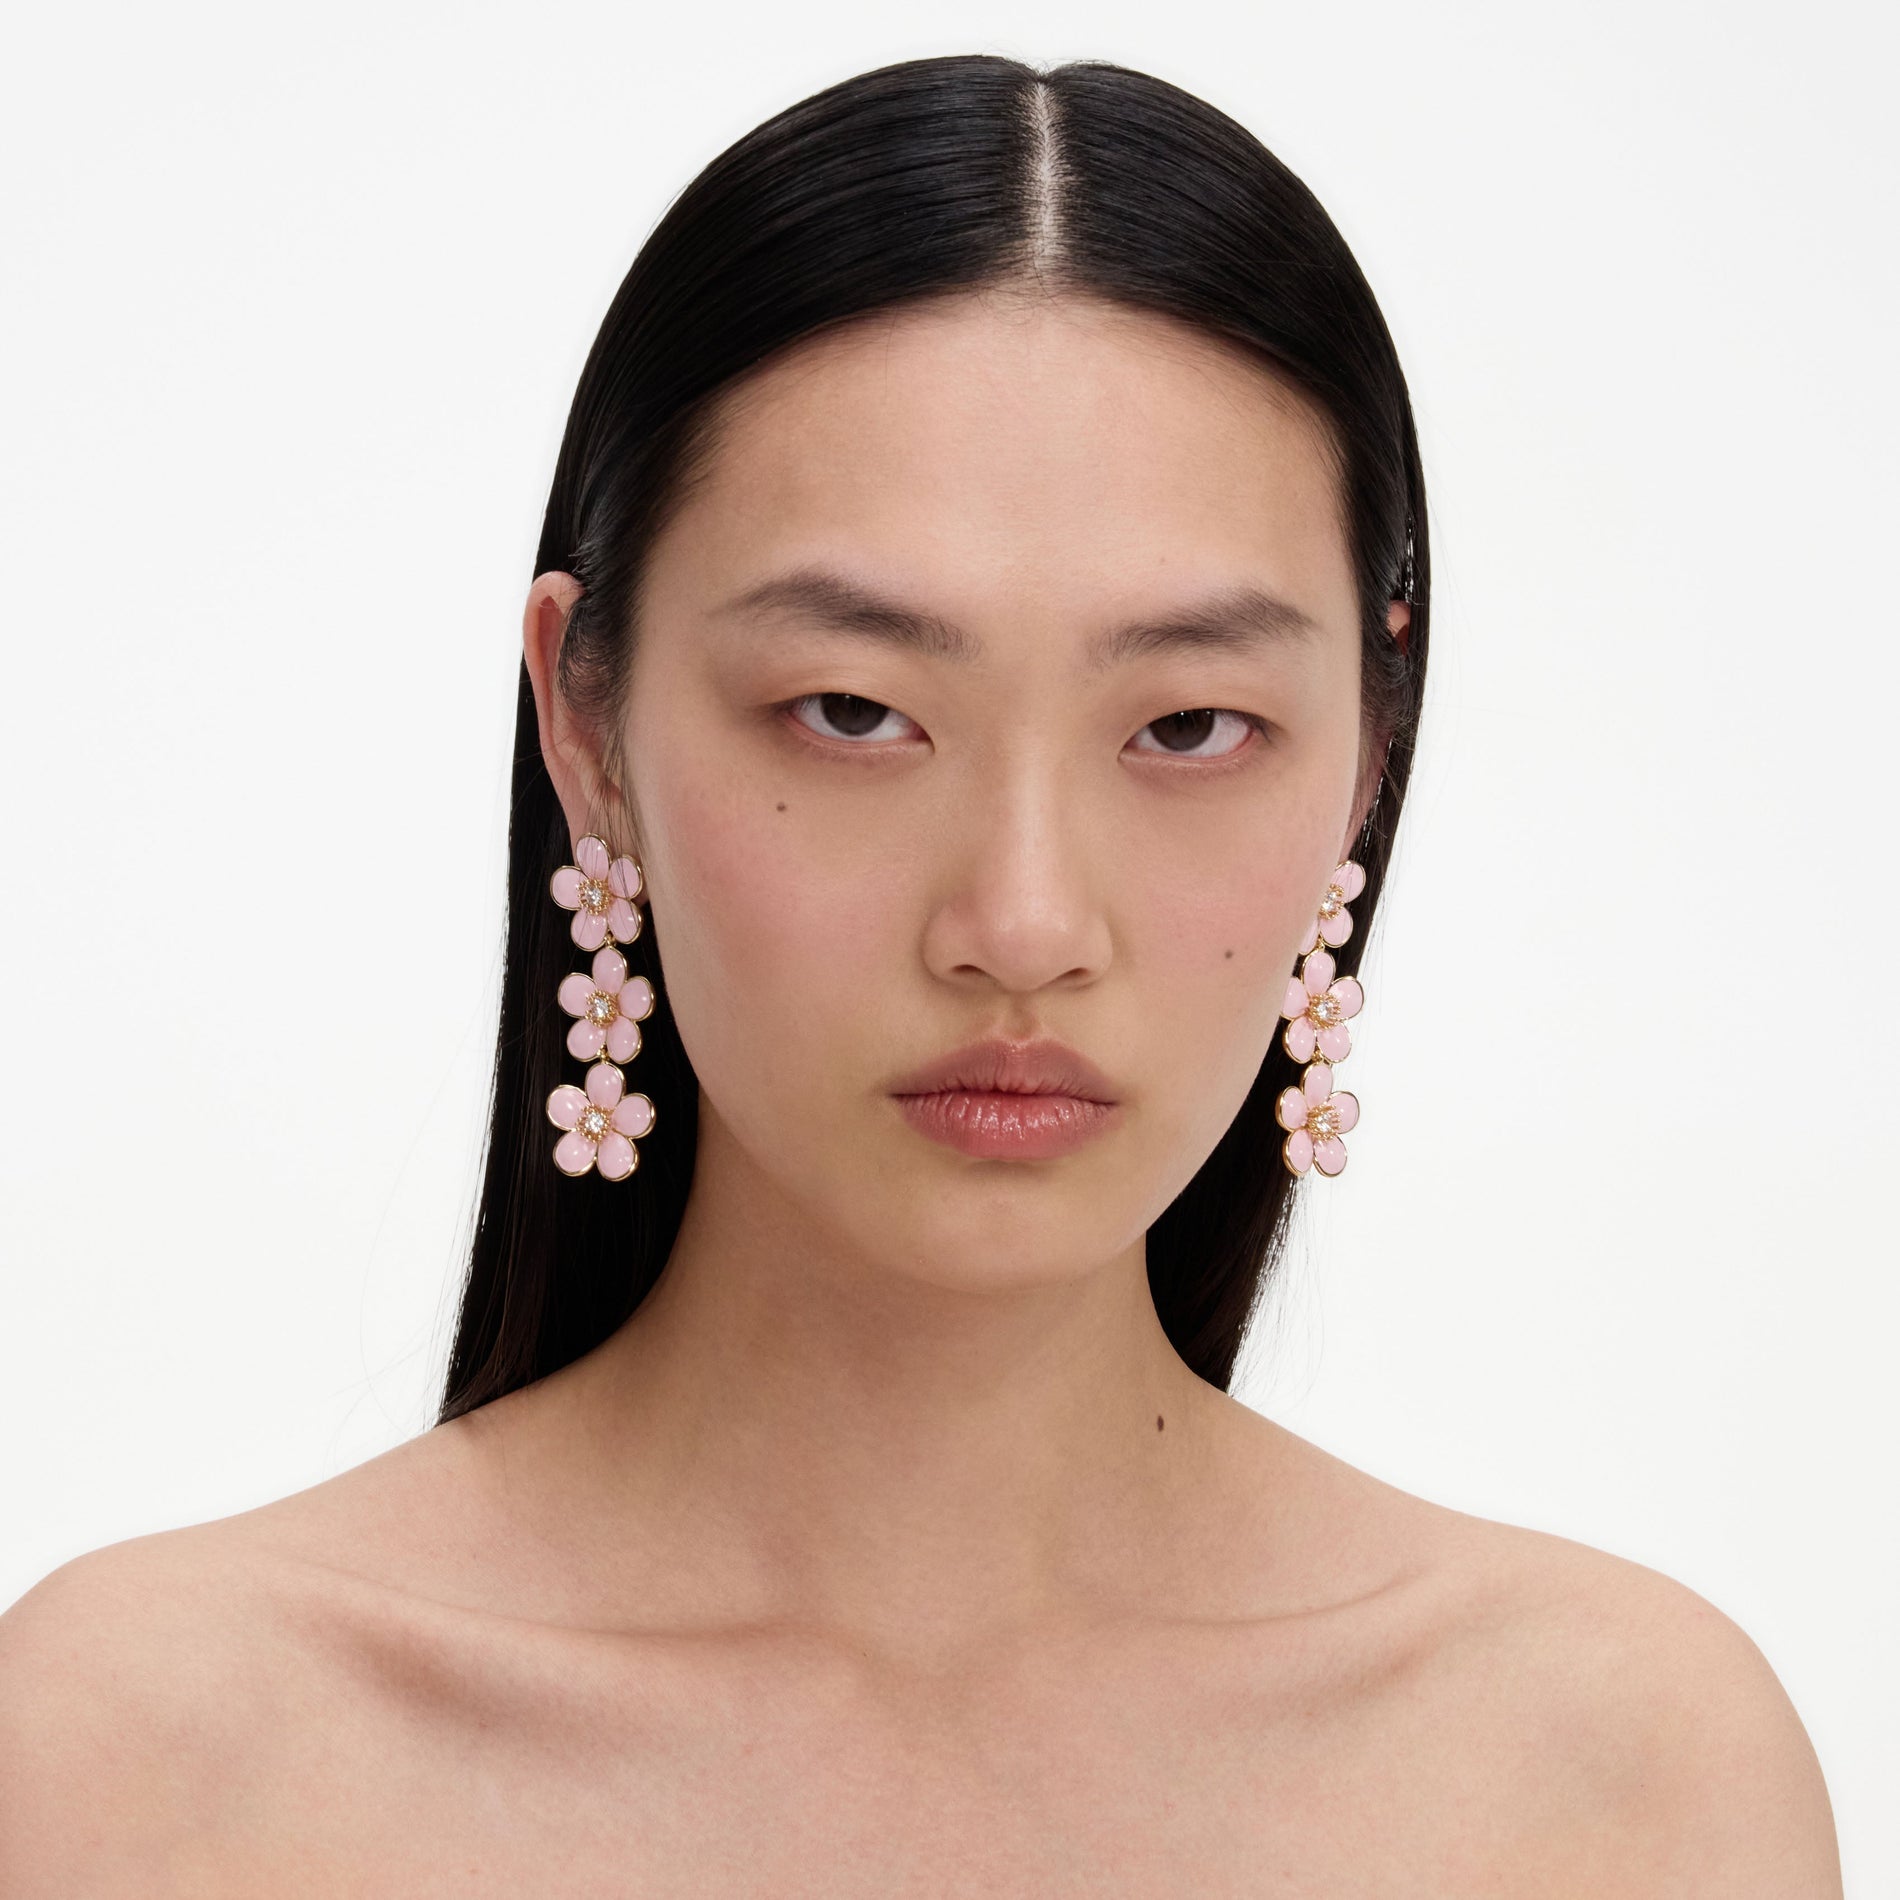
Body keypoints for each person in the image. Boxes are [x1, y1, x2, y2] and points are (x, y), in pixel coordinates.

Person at [0, 54, 1840, 1893]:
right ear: (588, 722)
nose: (1025, 921)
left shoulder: (1621, 1787)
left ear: (1372, 739)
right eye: (858, 711)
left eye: (1189, 723)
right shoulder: (150, 1767)